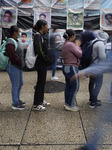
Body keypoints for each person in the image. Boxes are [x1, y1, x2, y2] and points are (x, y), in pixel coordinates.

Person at [33, 20, 52, 111]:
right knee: (40, 83)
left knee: (42, 82)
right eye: (47, 25)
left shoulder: (40, 36)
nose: (48, 27)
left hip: (42, 63)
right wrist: (47, 59)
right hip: (40, 63)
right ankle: (36, 104)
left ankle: (40, 101)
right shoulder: (37, 36)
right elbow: (39, 51)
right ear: (43, 26)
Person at [5, 25, 26, 110]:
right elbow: (12, 56)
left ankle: (17, 100)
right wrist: (19, 62)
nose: (20, 33)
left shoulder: (14, 40)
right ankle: (15, 103)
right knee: (15, 84)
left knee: (20, 83)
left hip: (18, 66)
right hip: (13, 66)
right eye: (18, 31)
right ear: (14, 32)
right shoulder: (10, 41)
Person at [62, 29, 82, 111]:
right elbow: (79, 54)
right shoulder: (70, 44)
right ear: (72, 36)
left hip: (66, 67)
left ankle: (67, 103)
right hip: (71, 67)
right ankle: (70, 105)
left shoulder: (65, 44)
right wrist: (77, 46)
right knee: (75, 86)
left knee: (68, 86)